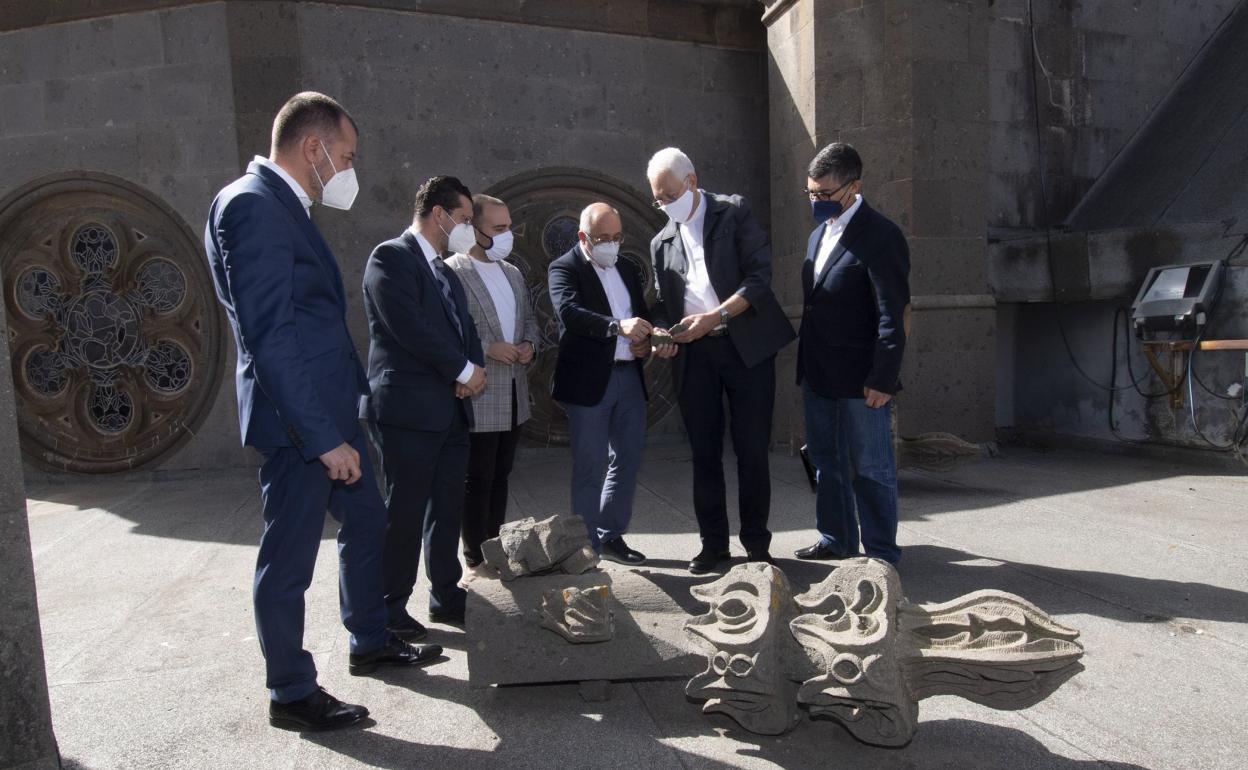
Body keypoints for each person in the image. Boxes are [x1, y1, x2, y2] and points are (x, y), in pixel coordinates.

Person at [204, 92, 440, 732]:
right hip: (300, 426)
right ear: (314, 148)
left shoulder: (279, 205)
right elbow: (270, 336)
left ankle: (369, 639)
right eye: (348, 155)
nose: (350, 169)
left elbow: (310, 321)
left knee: (367, 520)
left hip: (329, 415)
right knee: (288, 559)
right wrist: (321, 438)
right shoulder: (252, 205)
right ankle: (290, 692)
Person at [645, 147, 796, 575]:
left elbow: (759, 278)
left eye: (669, 195)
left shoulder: (733, 212)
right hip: (695, 354)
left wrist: (716, 316)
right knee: (704, 451)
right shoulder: (661, 242)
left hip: (745, 345)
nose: (664, 204)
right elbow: (661, 303)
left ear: (691, 181)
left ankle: (757, 545)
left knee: (752, 449)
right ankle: (713, 545)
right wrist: (662, 334)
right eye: (657, 199)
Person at [360, 175, 486, 632]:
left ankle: (445, 595)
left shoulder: (446, 272)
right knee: (405, 512)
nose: (468, 229)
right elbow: (409, 327)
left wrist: (471, 369)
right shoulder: (390, 258)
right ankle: (390, 610)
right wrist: (462, 370)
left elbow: (465, 328)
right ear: (439, 214)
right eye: (465, 219)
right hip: (407, 412)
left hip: (450, 409)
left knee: (446, 509)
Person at [795, 142, 910, 564]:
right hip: (818, 373)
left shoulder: (881, 235)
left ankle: (881, 554)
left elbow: (893, 313)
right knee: (826, 463)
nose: (816, 201)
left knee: (872, 468)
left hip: (863, 378)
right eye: (811, 193)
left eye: (825, 194)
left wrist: (883, 377)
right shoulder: (817, 236)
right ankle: (836, 538)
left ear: (854, 186)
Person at [547, 202, 652, 565]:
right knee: (590, 464)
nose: (612, 244)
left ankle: (611, 535)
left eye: (617, 237)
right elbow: (570, 312)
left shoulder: (626, 267)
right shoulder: (564, 268)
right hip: (589, 382)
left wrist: (645, 340)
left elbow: (641, 314)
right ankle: (585, 544)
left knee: (628, 459)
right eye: (603, 238)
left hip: (629, 376)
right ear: (583, 237)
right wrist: (617, 326)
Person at [445, 194, 540, 568]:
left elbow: (529, 320)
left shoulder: (512, 272)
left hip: (514, 391)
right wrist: (488, 349)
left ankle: (496, 548)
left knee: (501, 474)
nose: (507, 235)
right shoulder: (453, 271)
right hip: (479, 392)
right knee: (477, 477)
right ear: (474, 228)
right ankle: (475, 556)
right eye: (498, 228)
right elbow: (449, 332)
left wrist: (530, 344)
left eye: (509, 227)